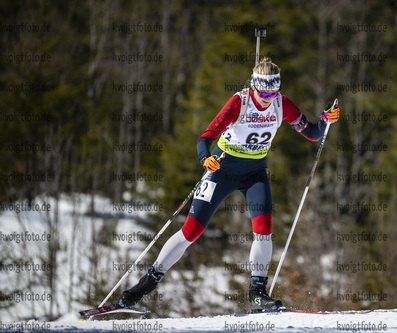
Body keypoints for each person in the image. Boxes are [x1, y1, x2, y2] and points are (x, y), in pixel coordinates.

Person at [118, 57, 340, 313]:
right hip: (223, 170)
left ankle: (257, 294)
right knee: (191, 231)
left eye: (274, 91)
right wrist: (206, 158)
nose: (269, 97)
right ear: (255, 87)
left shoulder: (282, 104)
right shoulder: (240, 102)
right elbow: (206, 138)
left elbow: (312, 133)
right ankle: (144, 286)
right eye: (264, 92)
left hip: (255, 172)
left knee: (264, 229)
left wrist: (325, 120)